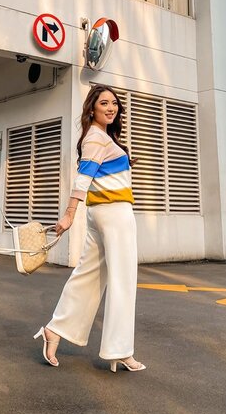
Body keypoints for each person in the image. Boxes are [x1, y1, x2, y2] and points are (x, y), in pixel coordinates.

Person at [33, 84, 146, 373]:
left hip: (101, 214)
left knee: (88, 275)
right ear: (92, 109)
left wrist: (74, 214)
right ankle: (119, 351)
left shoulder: (99, 137)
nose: (111, 108)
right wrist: (69, 215)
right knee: (123, 281)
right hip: (115, 214)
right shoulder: (96, 138)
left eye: (114, 104)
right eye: (104, 103)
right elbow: (83, 179)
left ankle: (54, 330)